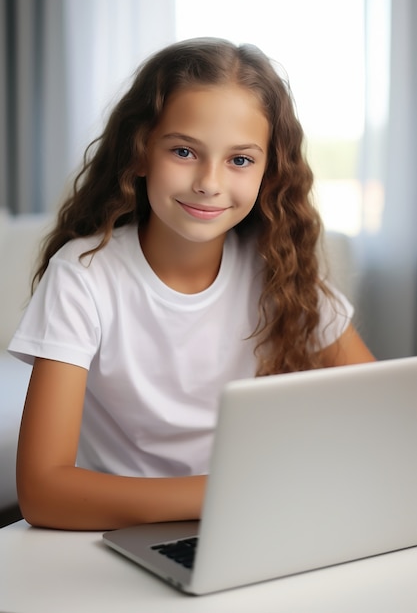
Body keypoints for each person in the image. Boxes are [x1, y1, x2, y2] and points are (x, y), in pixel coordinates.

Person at [8, 38, 375, 531]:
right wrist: (228, 494)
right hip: (121, 536)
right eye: (184, 151)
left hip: (249, 524)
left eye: (240, 160)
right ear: (139, 153)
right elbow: (43, 492)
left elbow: (386, 414)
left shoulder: (281, 271)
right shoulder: (83, 275)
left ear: (270, 173)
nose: (209, 181)